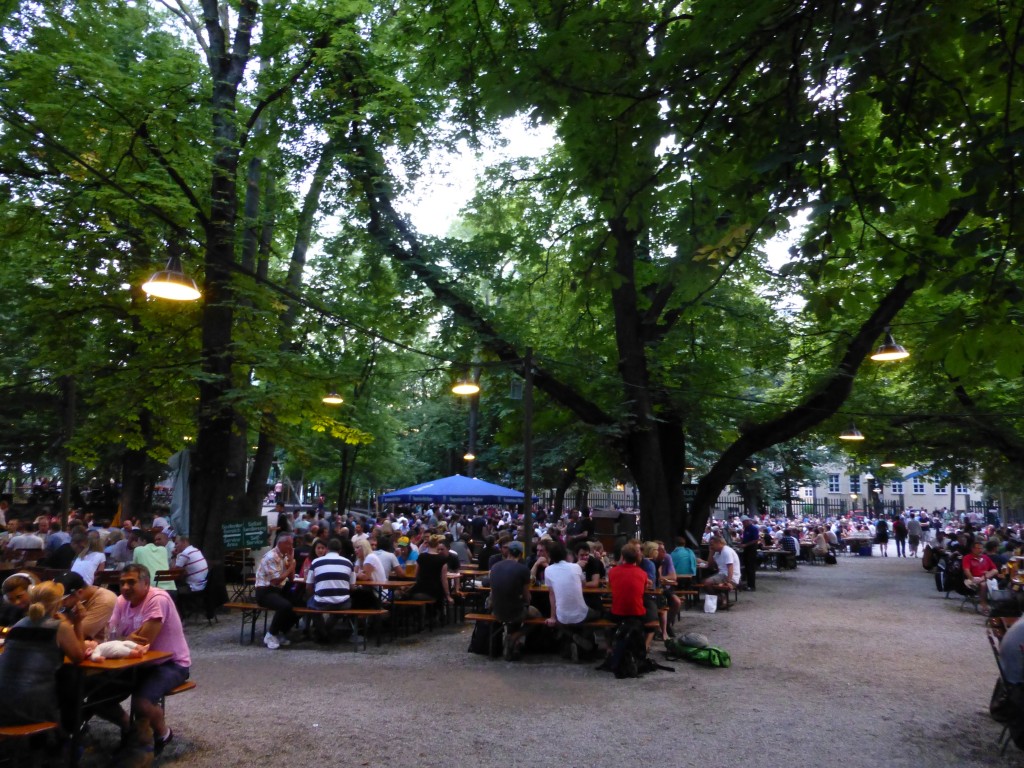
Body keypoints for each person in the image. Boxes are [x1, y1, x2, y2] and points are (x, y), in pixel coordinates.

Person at [102, 564, 190, 755]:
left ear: (146, 583)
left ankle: (163, 734)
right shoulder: (120, 602)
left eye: (131, 582)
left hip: (171, 664)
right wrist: (125, 639)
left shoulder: (158, 599)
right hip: (135, 665)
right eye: (122, 582)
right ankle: (128, 727)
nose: (125, 587)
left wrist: (121, 640)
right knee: (97, 699)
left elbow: (144, 642)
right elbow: (109, 636)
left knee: (141, 704)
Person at [0, 580, 86, 732]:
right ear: (58, 603)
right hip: (32, 706)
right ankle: (68, 735)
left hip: (3, 702)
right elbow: (79, 657)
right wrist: (78, 623)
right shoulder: (60, 627)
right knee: (71, 680)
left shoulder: (18, 625)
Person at [488, 540, 539, 660]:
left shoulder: (495, 567)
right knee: (537, 616)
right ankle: (514, 637)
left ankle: (513, 646)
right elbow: (526, 597)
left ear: (508, 552)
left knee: (513, 608)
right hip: (515, 612)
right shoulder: (523, 570)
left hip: (496, 611)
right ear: (521, 554)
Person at [304, 538, 355, 642]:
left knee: (311, 604)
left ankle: (322, 634)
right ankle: (325, 632)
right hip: (342, 602)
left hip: (321, 602)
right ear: (340, 550)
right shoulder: (348, 563)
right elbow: (352, 587)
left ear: (327, 549)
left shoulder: (316, 562)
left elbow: (308, 586)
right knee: (339, 605)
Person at [255, 533, 298, 649]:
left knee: (299, 604)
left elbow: (292, 578)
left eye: (292, 545)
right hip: (265, 591)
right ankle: (271, 634)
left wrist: (291, 561)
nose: (291, 547)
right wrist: (291, 567)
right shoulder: (271, 557)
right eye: (289, 544)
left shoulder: (284, 556)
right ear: (280, 544)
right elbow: (276, 581)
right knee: (285, 606)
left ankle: (281, 632)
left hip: (278, 590)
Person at [53, 570, 116, 641]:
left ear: (79, 592)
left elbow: (73, 636)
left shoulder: (105, 600)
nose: (60, 603)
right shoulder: (78, 599)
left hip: (95, 647)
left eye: (63, 599)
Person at [963, 539, 999, 615]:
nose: (980, 550)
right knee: (983, 584)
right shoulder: (967, 558)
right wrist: (972, 578)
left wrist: (984, 576)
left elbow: (995, 570)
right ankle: (984, 605)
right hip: (972, 578)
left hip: (984, 577)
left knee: (992, 572)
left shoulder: (986, 558)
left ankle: (994, 605)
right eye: (978, 548)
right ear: (973, 549)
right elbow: (966, 570)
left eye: (981, 548)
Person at [738, 517, 760, 591]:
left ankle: (752, 585)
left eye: (744, 522)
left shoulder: (753, 528)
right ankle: (747, 584)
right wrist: (742, 543)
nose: (743, 524)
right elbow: (745, 538)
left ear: (747, 521)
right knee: (747, 567)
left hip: (751, 550)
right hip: (746, 550)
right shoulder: (746, 529)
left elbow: (755, 540)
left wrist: (746, 545)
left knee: (750, 568)